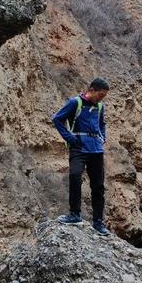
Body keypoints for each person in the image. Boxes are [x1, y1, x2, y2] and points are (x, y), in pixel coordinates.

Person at [52, 78, 111, 236]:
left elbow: (102, 124)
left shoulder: (100, 106)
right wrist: (70, 139)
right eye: (100, 94)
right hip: (78, 147)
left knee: (98, 186)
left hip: (96, 150)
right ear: (91, 89)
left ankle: (98, 222)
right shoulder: (75, 102)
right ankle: (74, 214)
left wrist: (102, 137)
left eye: (104, 96)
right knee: (75, 176)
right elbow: (57, 119)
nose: (101, 98)